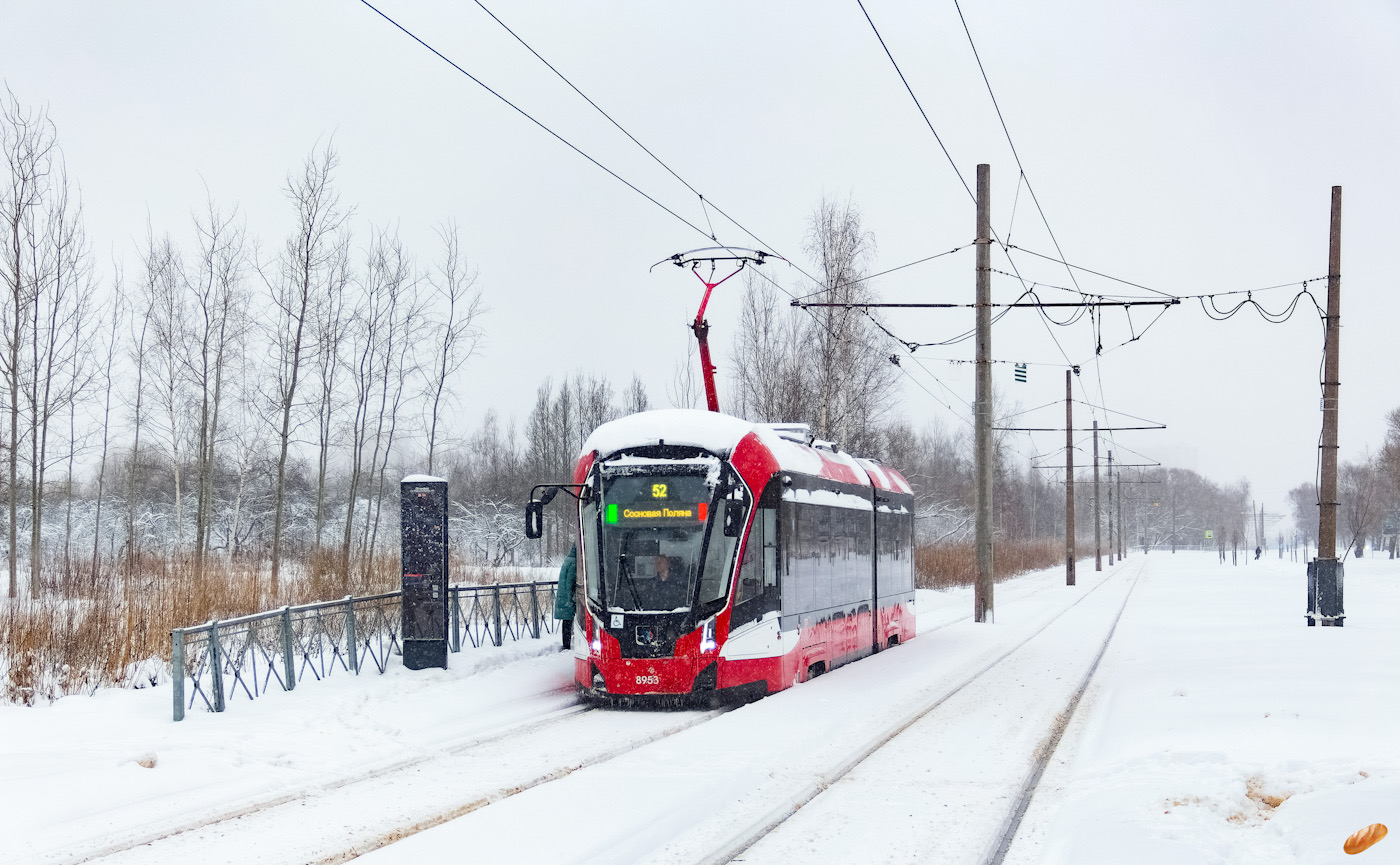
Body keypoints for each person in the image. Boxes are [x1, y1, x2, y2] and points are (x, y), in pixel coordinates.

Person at [554, 544, 576, 650]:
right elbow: (570, 582)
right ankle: (566, 645)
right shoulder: (574, 562)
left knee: (566, 622)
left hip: (563, 596)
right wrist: (570, 598)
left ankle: (566, 644)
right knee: (568, 622)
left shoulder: (568, 559)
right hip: (568, 597)